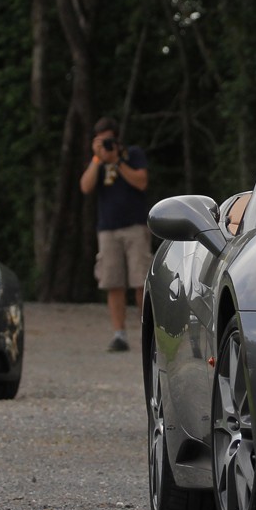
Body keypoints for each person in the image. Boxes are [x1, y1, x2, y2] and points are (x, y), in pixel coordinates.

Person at [78, 116, 151, 352]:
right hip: (108, 229)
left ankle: (147, 332)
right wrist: (97, 159)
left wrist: (117, 161)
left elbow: (141, 182)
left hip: (135, 226)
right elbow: (85, 187)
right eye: (101, 141)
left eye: (108, 140)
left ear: (117, 139)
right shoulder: (98, 162)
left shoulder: (133, 154)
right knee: (113, 283)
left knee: (141, 281)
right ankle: (119, 335)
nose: (106, 145)